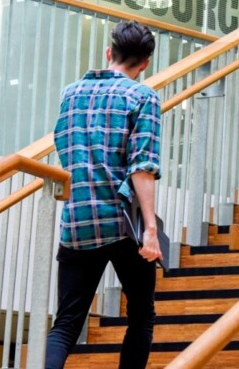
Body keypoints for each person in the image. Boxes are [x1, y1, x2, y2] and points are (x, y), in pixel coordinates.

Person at [46, 20, 163, 368]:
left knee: (66, 323)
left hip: (77, 219)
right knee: (141, 316)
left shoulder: (70, 93)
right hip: (122, 221)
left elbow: (65, 148)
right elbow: (142, 167)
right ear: (145, 63)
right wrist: (151, 230)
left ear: (109, 53)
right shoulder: (143, 96)